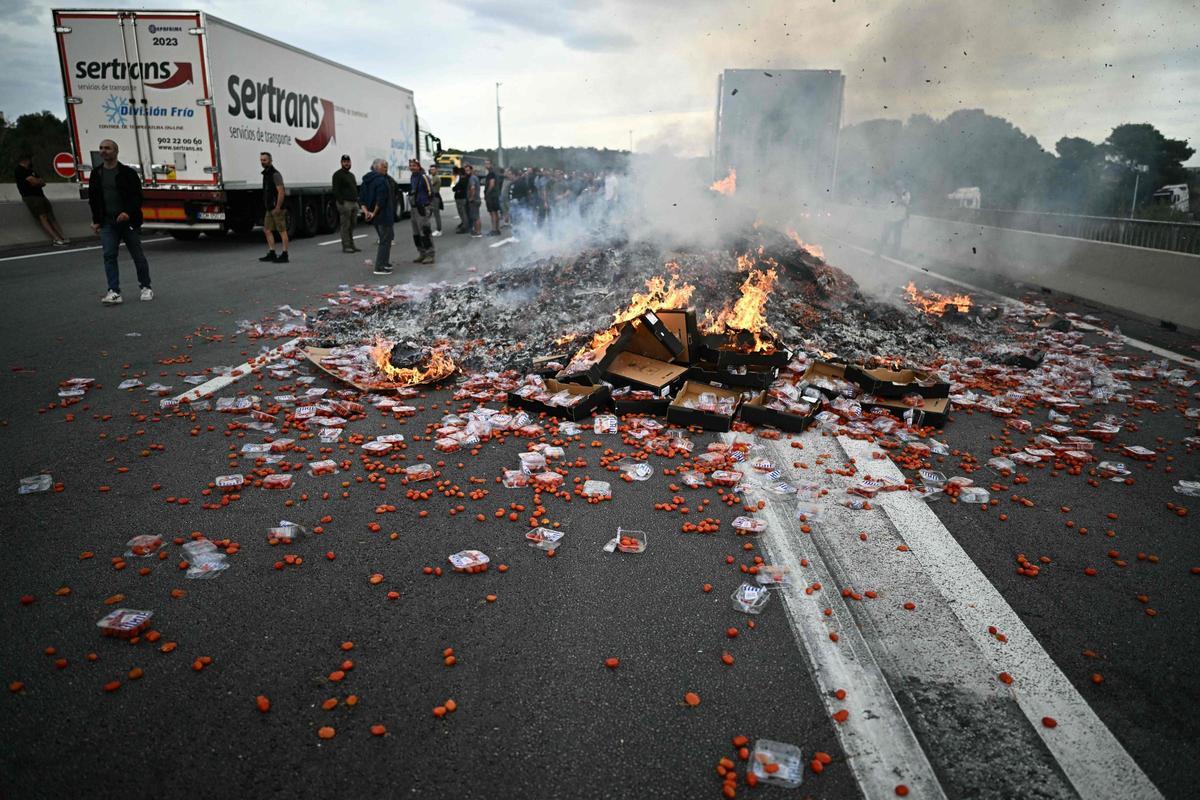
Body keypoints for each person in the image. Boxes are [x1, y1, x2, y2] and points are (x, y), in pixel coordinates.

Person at [88, 139, 151, 305]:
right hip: (108, 222)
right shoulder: (96, 174)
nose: (103, 151)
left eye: (107, 148)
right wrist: (96, 220)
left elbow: (137, 197)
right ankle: (114, 291)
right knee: (109, 255)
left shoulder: (127, 173)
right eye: (101, 148)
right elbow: (93, 199)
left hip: (127, 221)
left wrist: (127, 213)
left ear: (115, 151)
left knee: (137, 255)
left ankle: (145, 286)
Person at [15, 154, 69, 246]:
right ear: (25, 160)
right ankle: (56, 238)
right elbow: (34, 181)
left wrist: (37, 182)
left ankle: (62, 236)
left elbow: (42, 182)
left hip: (41, 195)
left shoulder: (31, 171)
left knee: (51, 216)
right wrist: (37, 181)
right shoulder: (20, 170)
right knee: (42, 216)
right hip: (31, 196)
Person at [358, 158, 395, 276]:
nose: (386, 169)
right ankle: (380, 266)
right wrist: (374, 212)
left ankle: (385, 262)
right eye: (384, 166)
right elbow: (381, 199)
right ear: (377, 167)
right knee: (385, 240)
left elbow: (362, 199)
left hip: (374, 216)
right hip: (384, 215)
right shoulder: (381, 180)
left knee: (385, 239)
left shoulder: (366, 180)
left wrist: (366, 212)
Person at [258, 152, 289, 263]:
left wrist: (278, 207)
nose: (262, 162)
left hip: (277, 208)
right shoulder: (266, 174)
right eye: (261, 160)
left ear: (270, 161)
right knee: (267, 229)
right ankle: (272, 252)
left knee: (282, 230)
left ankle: (285, 254)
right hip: (269, 208)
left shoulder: (275, 174)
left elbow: (281, 192)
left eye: (265, 160)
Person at [407, 158, 436, 264]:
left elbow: (431, 192)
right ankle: (421, 253)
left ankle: (430, 254)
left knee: (425, 231)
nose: (412, 167)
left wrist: (428, 206)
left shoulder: (424, 177)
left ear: (419, 166)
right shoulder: (412, 177)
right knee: (416, 233)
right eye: (411, 165)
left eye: (414, 165)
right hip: (414, 208)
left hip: (422, 207)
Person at [332, 154, 360, 253]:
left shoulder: (351, 175)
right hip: (345, 203)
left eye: (348, 162)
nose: (347, 163)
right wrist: (341, 202)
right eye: (344, 162)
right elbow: (335, 190)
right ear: (341, 163)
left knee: (353, 224)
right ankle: (346, 246)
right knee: (345, 225)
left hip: (354, 202)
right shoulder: (338, 175)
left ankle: (352, 244)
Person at [877, 180, 911, 257]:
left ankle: (895, 254)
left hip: (899, 218)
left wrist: (898, 197)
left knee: (897, 237)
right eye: (896, 186)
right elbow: (889, 202)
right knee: (884, 235)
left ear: (902, 186)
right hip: (889, 217)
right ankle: (879, 252)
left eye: (899, 186)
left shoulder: (906, 193)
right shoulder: (892, 193)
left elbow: (906, 203)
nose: (897, 187)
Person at [484, 159, 502, 236]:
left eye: (488, 163)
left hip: (492, 196)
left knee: (493, 213)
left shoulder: (491, 174)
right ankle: (497, 229)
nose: (486, 165)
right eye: (485, 164)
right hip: (495, 195)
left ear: (491, 164)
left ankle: (494, 229)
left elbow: (492, 184)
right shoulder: (494, 173)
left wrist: (487, 193)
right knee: (495, 213)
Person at [465, 163, 482, 237]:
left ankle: (478, 232)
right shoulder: (475, 177)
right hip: (476, 199)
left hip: (474, 200)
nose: (467, 172)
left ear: (471, 170)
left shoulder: (472, 178)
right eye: (466, 170)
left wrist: (471, 197)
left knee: (476, 217)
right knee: (474, 217)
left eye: (468, 170)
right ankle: (476, 231)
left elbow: (472, 188)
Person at [427, 164, 444, 236]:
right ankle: (428, 229)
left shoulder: (436, 177)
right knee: (428, 214)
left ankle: (439, 230)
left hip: (435, 197)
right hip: (432, 197)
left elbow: (429, 185)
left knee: (436, 215)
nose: (432, 171)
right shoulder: (433, 177)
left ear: (436, 170)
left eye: (433, 169)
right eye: (431, 169)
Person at [452, 166, 469, 233]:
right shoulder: (463, 179)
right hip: (460, 197)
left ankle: (465, 226)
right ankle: (464, 224)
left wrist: (456, 188)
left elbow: (455, 188)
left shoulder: (463, 180)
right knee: (462, 212)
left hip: (461, 198)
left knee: (463, 213)